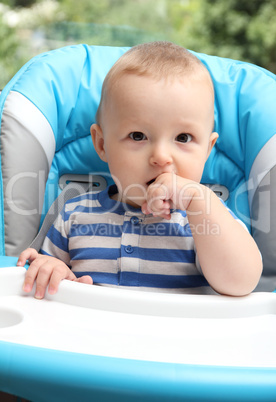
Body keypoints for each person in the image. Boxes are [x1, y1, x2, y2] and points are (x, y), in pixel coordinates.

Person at [17, 41, 262, 299]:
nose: (161, 157)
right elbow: (43, 283)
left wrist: (198, 201)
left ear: (208, 150)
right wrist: (55, 271)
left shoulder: (207, 219)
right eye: (137, 135)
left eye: (183, 138)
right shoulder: (74, 214)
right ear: (102, 144)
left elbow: (241, 283)